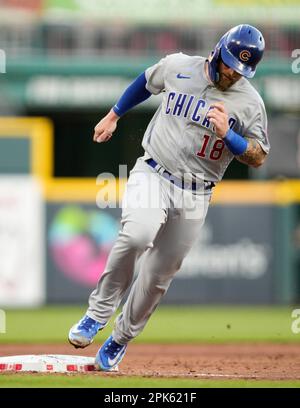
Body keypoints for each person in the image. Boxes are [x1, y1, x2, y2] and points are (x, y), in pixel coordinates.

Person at [68, 24, 270, 371]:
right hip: (154, 172)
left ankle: (119, 339)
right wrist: (114, 114)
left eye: (241, 70)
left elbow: (258, 155)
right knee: (136, 236)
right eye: (230, 64)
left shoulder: (250, 103)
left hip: (197, 193)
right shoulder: (179, 66)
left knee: (159, 276)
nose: (233, 74)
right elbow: (146, 82)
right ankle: (96, 314)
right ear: (218, 51)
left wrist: (231, 137)